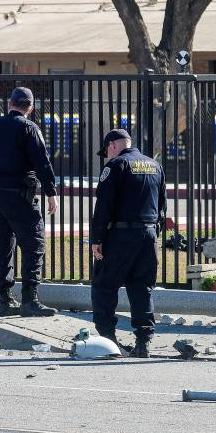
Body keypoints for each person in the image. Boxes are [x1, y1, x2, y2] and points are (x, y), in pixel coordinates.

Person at [0, 87, 59, 317]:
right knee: (34, 244)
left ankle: (4, 300)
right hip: (20, 196)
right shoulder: (29, 128)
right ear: (30, 108)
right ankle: (29, 300)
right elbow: (42, 161)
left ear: (9, 103)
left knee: (0, 248)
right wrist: (51, 192)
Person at [89, 128, 166, 358]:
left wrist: (97, 239)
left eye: (106, 151)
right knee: (142, 287)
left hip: (120, 236)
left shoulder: (115, 166)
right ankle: (144, 342)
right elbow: (162, 206)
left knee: (104, 285)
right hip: (148, 235)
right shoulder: (154, 165)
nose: (107, 155)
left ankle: (107, 340)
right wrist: (154, 231)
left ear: (112, 145)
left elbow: (103, 207)